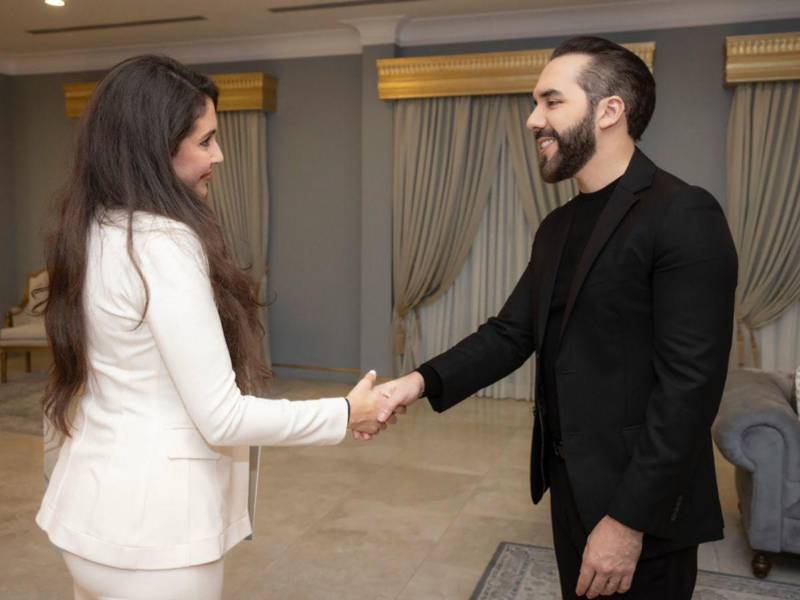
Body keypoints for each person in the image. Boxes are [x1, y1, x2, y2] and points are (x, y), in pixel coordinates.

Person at [374, 36, 738, 599]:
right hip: (572, 485)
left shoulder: (683, 213)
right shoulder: (558, 227)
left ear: (609, 110)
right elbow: (511, 332)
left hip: (642, 503)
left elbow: (689, 389)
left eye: (551, 102)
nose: (532, 120)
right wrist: (416, 383)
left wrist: (627, 521)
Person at [36, 55, 393, 600]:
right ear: (157, 147)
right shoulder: (162, 243)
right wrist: (346, 413)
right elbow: (222, 417)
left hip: (88, 517)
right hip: (158, 535)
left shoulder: (93, 229)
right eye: (206, 141)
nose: (218, 155)